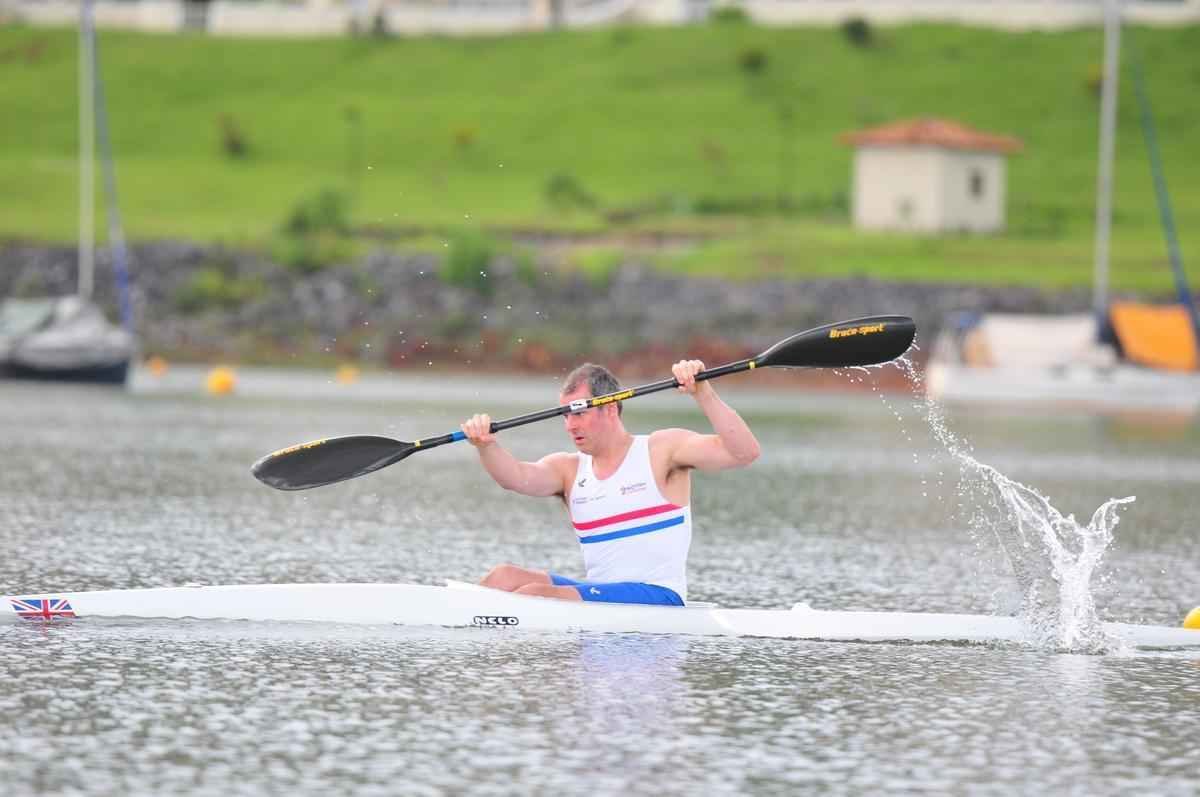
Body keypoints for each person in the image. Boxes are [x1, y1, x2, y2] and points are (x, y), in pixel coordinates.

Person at [459, 360, 760, 606]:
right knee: (503, 577)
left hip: (658, 596)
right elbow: (515, 478)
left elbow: (744, 453)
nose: (570, 425)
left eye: (579, 413)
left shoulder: (662, 451)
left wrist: (702, 392)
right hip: (604, 595)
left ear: (611, 408)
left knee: (534, 597)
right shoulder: (569, 469)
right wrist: (486, 445)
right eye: (565, 415)